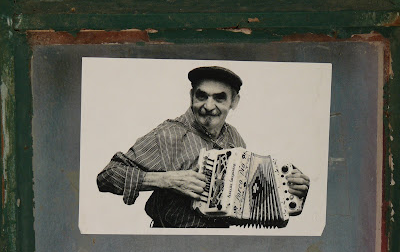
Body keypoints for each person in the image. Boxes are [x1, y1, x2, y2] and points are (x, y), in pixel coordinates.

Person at [97, 66, 310, 228]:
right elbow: (107, 176)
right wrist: (165, 180)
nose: (209, 106)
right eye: (202, 96)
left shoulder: (234, 136)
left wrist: (289, 193)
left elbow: (245, 203)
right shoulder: (168, 134)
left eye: (219, 98)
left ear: (234, 102)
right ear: (191, 96)